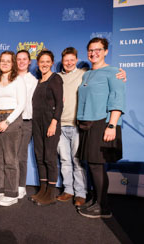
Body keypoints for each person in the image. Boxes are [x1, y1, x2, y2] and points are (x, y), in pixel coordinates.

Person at [56, 47, 127, 207]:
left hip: (80, 125)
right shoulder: (59, 77)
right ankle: (68, 190)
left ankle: (81, 193)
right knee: (65, 160)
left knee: (79, 161)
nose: (68, 62)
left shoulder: (84, 73)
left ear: (76, 60)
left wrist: (122, 75)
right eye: (65, 60)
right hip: (64, 125)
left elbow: (112, 82)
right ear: (62, 62)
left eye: (72, 59)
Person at [77, 38, 125, 218]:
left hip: (103, 123)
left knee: (97, 165)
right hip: (87, 123)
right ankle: (98, 200)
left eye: (98, 49)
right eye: (90, 50)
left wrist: (111, 125)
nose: (93, 53)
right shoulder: (86, 74)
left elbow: (117, 99)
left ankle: (103, 207)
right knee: (93, 165)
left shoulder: (114, 72)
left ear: (105, 51)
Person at [0, 51, 26, 207]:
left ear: (13, 64)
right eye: (2, 61)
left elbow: (21, 104)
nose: (4, 63)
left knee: (10, 158)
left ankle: (11, 193)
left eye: (8, 61)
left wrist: (7, 122)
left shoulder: (18, 80)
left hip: (12, 119)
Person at [29, 49, 63, 206]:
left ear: (52, 63)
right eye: (41, 61)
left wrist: (54, 123)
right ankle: (42, 190)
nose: (44, 64)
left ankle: (51, 193)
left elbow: (60, 104)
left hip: (50, 123)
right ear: (38, 63)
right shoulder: (38, 81)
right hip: (37, 124)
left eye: (47, 62)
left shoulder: (56, 79)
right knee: (39, 157)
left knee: (49, 157)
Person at [16, 50, 38, 199]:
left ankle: (21, 185)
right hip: (10, 120)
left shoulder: (34, 81)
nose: (22, 62)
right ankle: (10, 183)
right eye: (19, 59)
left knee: (21, 155)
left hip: (26, 121)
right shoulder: (10, 78)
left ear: (29, 61)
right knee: (10, 155)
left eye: (25, 59)